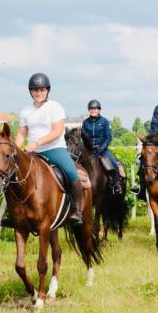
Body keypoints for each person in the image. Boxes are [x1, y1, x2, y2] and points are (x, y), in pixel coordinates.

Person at [16, 72, 83, 225]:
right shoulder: (25, 111)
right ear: (31, 92)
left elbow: (58, 131)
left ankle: (77, 210)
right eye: (35, 90)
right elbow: (21, 133)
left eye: (42, 90)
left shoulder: (55, 107)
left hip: (54, 149)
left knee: (72, 173)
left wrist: (38, 142)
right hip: (32, 152)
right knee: (13, 175)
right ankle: (14, 212)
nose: (39, 93)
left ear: (47, 91)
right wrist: (15, 149)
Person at [82, 99, 123, 195]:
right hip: (89, 150)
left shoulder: (104, 121)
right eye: (91, 109)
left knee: (113, 163)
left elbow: (108, 137)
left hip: (103, 150)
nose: (93, 110)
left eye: (95, 109)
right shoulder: (85, 122)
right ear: (89, 110)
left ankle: (117, 185)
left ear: (99, 110)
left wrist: (102, 148)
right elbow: (83, 137)